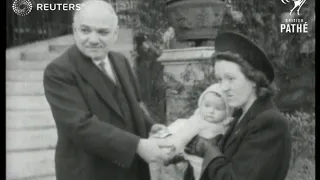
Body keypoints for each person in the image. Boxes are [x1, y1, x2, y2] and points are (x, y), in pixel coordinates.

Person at [43, 1, 173, 180]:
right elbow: (81, 126)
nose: (93, 39)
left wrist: (150, 126)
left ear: (115, 34)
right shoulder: (59, 71)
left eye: (102, 32)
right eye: (85, 30)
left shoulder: (121, 61)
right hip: (89, 172)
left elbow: (131, 104)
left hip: (130, 170)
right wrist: (137, 146)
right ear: (74, 30)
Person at [185, 32, 292, 180]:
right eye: (219, 79)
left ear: (254, 79)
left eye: (230, 78)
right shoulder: (239, 116)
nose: (223, 87)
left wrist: (209, 151)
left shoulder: (270, 123)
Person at [150, 83, 234, 180]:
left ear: (227, 112)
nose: (211, 111)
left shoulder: (227, 126)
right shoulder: (198, 122)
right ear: (201, 105)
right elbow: (182, 137)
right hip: (194, 163)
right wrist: (170, 149)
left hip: (212, 167)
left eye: (218, 108)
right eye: (207, 105)